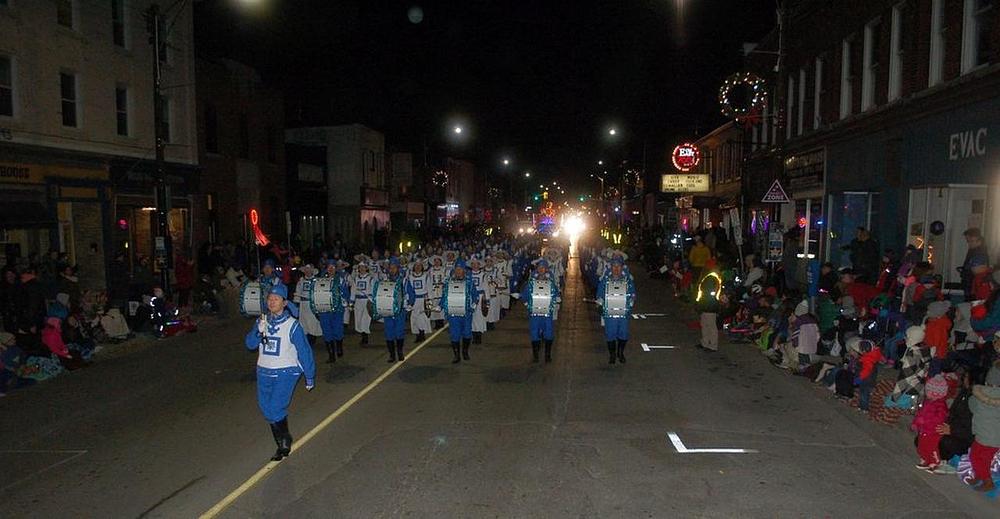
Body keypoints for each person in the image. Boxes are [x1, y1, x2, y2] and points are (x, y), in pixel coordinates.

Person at [243, 283, 315, 462]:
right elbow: (250, 344)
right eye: (269, 298)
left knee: (276, 407)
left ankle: (282, 443)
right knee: (266, 408)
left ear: (284, 303)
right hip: (264, 371)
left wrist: (309, 375)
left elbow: (304, 351)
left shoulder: (293, 326)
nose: (272, 301)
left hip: (286, 372)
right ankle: (284, 436)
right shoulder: (262, 321)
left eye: (276, 299)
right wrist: (258, 332)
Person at [518, 259, 560, 363]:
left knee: (549, 332)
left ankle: (547, 355)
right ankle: (536, 356)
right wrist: (524, 301)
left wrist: (557, 299)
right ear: (537, 269)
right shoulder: (531, 283)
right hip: (534, 313)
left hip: (547, 313)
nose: (541, 269)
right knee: (534, 332)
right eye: (539, 267)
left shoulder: (550, 283)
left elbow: (556, 294)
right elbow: (525, 295)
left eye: (543, 268)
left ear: (546, 269)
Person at [596, 256, 635, 365]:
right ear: (611, 267)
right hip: (609, 312)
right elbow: (600, 293)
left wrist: (631, 301)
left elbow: (632, 292)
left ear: (622, 267)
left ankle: (620, 352)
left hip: (623, 312)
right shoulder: (606, 279)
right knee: (610, 334)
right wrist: (599, 303)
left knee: (623, 333)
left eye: (618, 266)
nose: (616, 269)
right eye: (614, 266)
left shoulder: (627, 280)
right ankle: (612, 354)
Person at [968, 362, 1000, 491]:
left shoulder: (979, 393)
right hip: (996, 437)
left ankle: (987, 480)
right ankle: (981, 476)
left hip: (983, 434)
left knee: (975, 455)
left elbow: (972, 407)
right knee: (984, 458)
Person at [912, 374, 950, 472]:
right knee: (921, 446)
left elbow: (938, 419)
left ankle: (934, 461)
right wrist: (916, 423)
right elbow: (921, 414)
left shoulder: (941, 406)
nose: (926, 393)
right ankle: (925, 459)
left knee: (931, 447)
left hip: (933, 432)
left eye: (928, 391)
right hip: (924, 430)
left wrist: (925, 422)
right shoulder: (928, 402)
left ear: (935, 393)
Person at [440, 259, 475, 363]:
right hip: (453, 313)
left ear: (464, 270)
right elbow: (445, 296)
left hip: (466, 312)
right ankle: (456, 355)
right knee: (454, 334)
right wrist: (440, 306)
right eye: (457, 269)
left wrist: (475, 302)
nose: (458, 271)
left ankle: (465, 351)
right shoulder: (448, 282)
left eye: (460, 269)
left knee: (467, 333)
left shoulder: (469, 282)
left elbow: (475, 294)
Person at [314, 260, 349, 363]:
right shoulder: (321, 280)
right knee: (327, 332)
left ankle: (339, 347)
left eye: (333, 267)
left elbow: (346, 293)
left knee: (338, 330)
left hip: (337, 309)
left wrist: (343, 299)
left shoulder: (341, 279)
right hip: (324, 310)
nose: (331, 269)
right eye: (329, 267)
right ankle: (331, 355)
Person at [372, 257, 407, 362]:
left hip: (400, 311)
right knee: (389, 333)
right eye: (390, 268)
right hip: (387, 310)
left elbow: (410, 293)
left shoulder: (404, 280)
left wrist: (408, 302)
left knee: (399, 332)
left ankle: (400, 352)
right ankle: (392, 354)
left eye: (394, 267)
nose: (392, 270)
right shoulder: (384, 280)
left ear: (398, 268)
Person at [293, 264, 325, 360]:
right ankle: (306, 339)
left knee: (312, 321)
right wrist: (296, 303)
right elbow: (297, 291)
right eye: (306, 270)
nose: (307, 271)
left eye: (309, 270)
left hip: (312, 304)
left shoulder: (316, 281)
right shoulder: (301, 281)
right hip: (303, 305)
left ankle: (312, 338)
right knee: (303, 322)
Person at [404, 258, 433, 343]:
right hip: (413, 300)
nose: (418, 267)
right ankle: (417, 334)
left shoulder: (426, 276)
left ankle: (422, 333)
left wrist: (429, 301)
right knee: (414, 317)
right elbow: (407, 289)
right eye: (416, 266)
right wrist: (407, 301)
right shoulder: (409, 277)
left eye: (419, 266)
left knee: (422, 317)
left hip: (423, 299)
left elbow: (429, 289)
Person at [349, 262, 374, 345]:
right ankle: (362, 335)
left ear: (366, 268)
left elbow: (374, 290)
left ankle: (365, 337)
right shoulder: (356, 279)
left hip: (367, 301)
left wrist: (372, 300)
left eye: (364, 267)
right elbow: (353, 291)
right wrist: (351, 302)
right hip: (358, 302)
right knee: (358, 319)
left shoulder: (370, 278)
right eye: (360, 267)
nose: (362, 269)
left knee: (365, 319)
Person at [961, 228, 989, 300]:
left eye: (970, 240)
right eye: (968, 241)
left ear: (975, 238)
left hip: (975, 283)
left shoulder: (979, 251)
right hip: (971, 282)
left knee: (973, 303)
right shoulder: (974, 250)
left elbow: (978, 270)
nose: (968, 243)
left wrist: (966, 269)